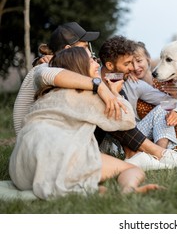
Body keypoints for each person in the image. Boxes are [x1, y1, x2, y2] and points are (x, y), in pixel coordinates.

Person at [13, 22, 177, 171]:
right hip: (46, 144)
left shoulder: (114, 78)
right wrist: (101, 87)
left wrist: (175, 108)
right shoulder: (47, 68)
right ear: (70, 49)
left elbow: (159, 102)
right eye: (86, 47)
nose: (92, 54)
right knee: (105, 103)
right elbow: (44, 75)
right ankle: (156, 154)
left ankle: (157, 153)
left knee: (110, 104)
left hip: (65, 139)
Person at [9, 47, 161, 199]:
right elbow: (127, 121)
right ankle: (128, 191)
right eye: (91, 60)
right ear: (79, 66)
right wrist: (114, 93)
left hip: (21, 167)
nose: (96, 62)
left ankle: (90, 188)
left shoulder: (45, 94)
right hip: (59, 156)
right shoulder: (90, 95)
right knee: (132, 170)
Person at [98, 36, 177, 167]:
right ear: (109, 65)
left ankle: (160, 156)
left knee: (165, 109)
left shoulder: (132, 82)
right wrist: (112, 92)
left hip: (134, 133)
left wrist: (175, 111)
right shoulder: (92, 80)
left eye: (133, 62)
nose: (132, 68)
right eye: (127, 64)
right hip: (110, 142)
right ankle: (162, 156)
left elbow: (168, 100)